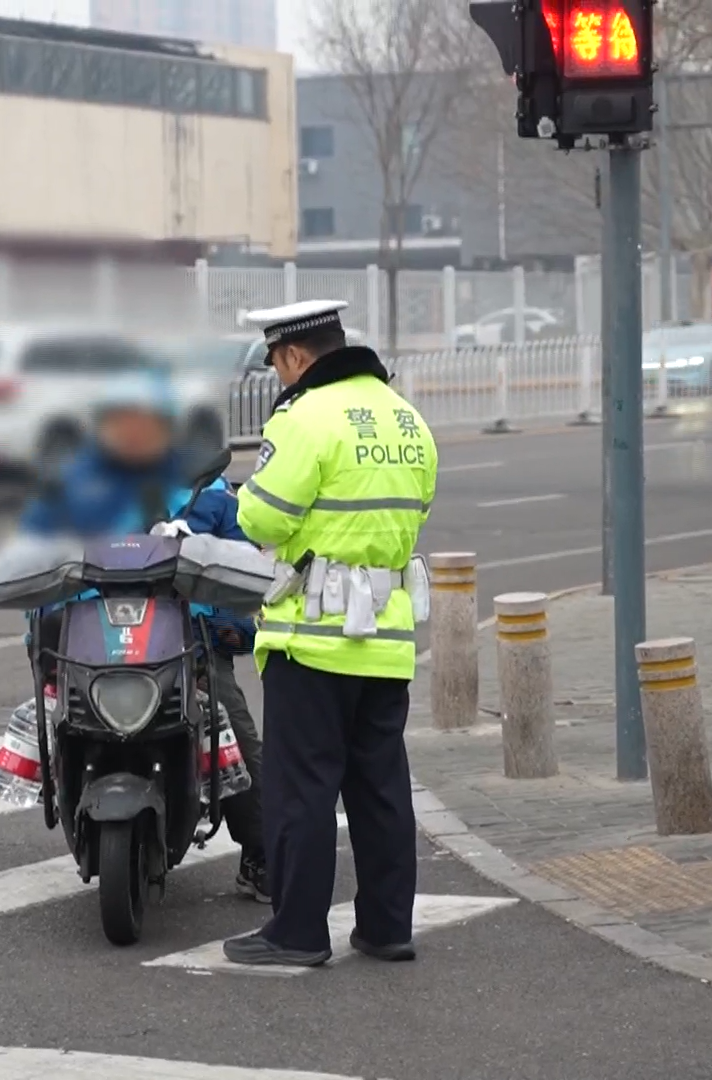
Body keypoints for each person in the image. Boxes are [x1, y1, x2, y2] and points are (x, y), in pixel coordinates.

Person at [222, 300, 437, 968]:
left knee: (303, 790)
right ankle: (386, 928)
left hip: (311, 638)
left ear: (292, 357)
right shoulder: (407, 419)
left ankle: (298, 933)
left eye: (278, 364)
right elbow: (418, 505)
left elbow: (262, 517)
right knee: (380, 787)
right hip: (386, 635)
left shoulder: (304, 417)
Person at [16, 372, 269, 900]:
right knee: (44, 718)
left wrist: (229, 620)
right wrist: (42, 627)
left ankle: (265, 851)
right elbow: (34, 557)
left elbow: (243, 563)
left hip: (186, 642)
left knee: (236, 738)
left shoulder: (208, 489)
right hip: (87, 644)